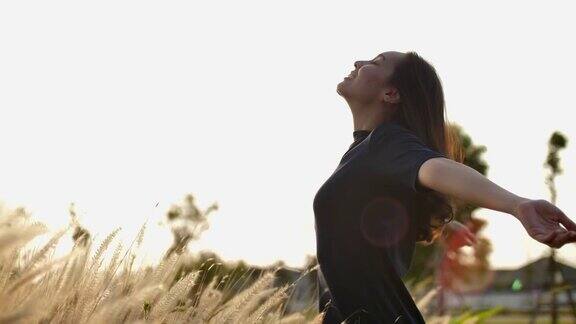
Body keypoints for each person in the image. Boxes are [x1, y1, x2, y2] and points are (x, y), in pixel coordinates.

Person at [312, 50, 576, 324]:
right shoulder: (366, 155)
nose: (359, 62)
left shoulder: (385, 142)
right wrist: (444, 224)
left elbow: (435, 168)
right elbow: (367, 215)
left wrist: (517, 205)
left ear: (391, 94)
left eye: (376, 63)